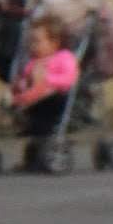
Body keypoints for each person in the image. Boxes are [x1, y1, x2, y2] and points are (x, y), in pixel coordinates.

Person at [9, 12, 79, 166]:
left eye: (37, 41)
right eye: (31, 42)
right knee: (23, 95)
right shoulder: (34, 61)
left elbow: (69, 78)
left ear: (54, 42)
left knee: (48, 92)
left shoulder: (64, 57)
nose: (33, 46)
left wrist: (47, 79)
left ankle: (24, 107)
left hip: (55, 100)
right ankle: (20, 109)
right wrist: (21, 83)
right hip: (34, 102)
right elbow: (26, 77)